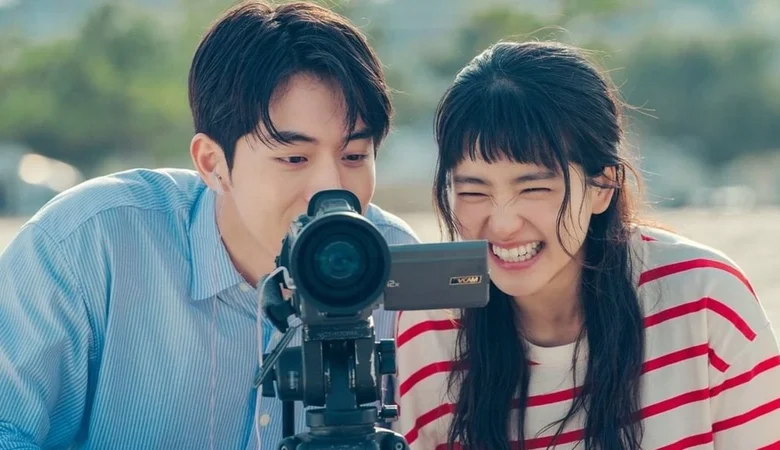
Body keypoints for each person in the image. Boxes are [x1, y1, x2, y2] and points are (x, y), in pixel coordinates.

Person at [0, 1, 419, 449]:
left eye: (354, 155)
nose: (330, 187)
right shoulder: (88, 242)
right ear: (212, 163)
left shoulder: (401, 267)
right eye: (294, 158)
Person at [394, 40, 780, 450]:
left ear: (603, 186)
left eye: (534, 188)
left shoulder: (704, 301)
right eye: (473, 192)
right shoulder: (433, 323)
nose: (503, 224)